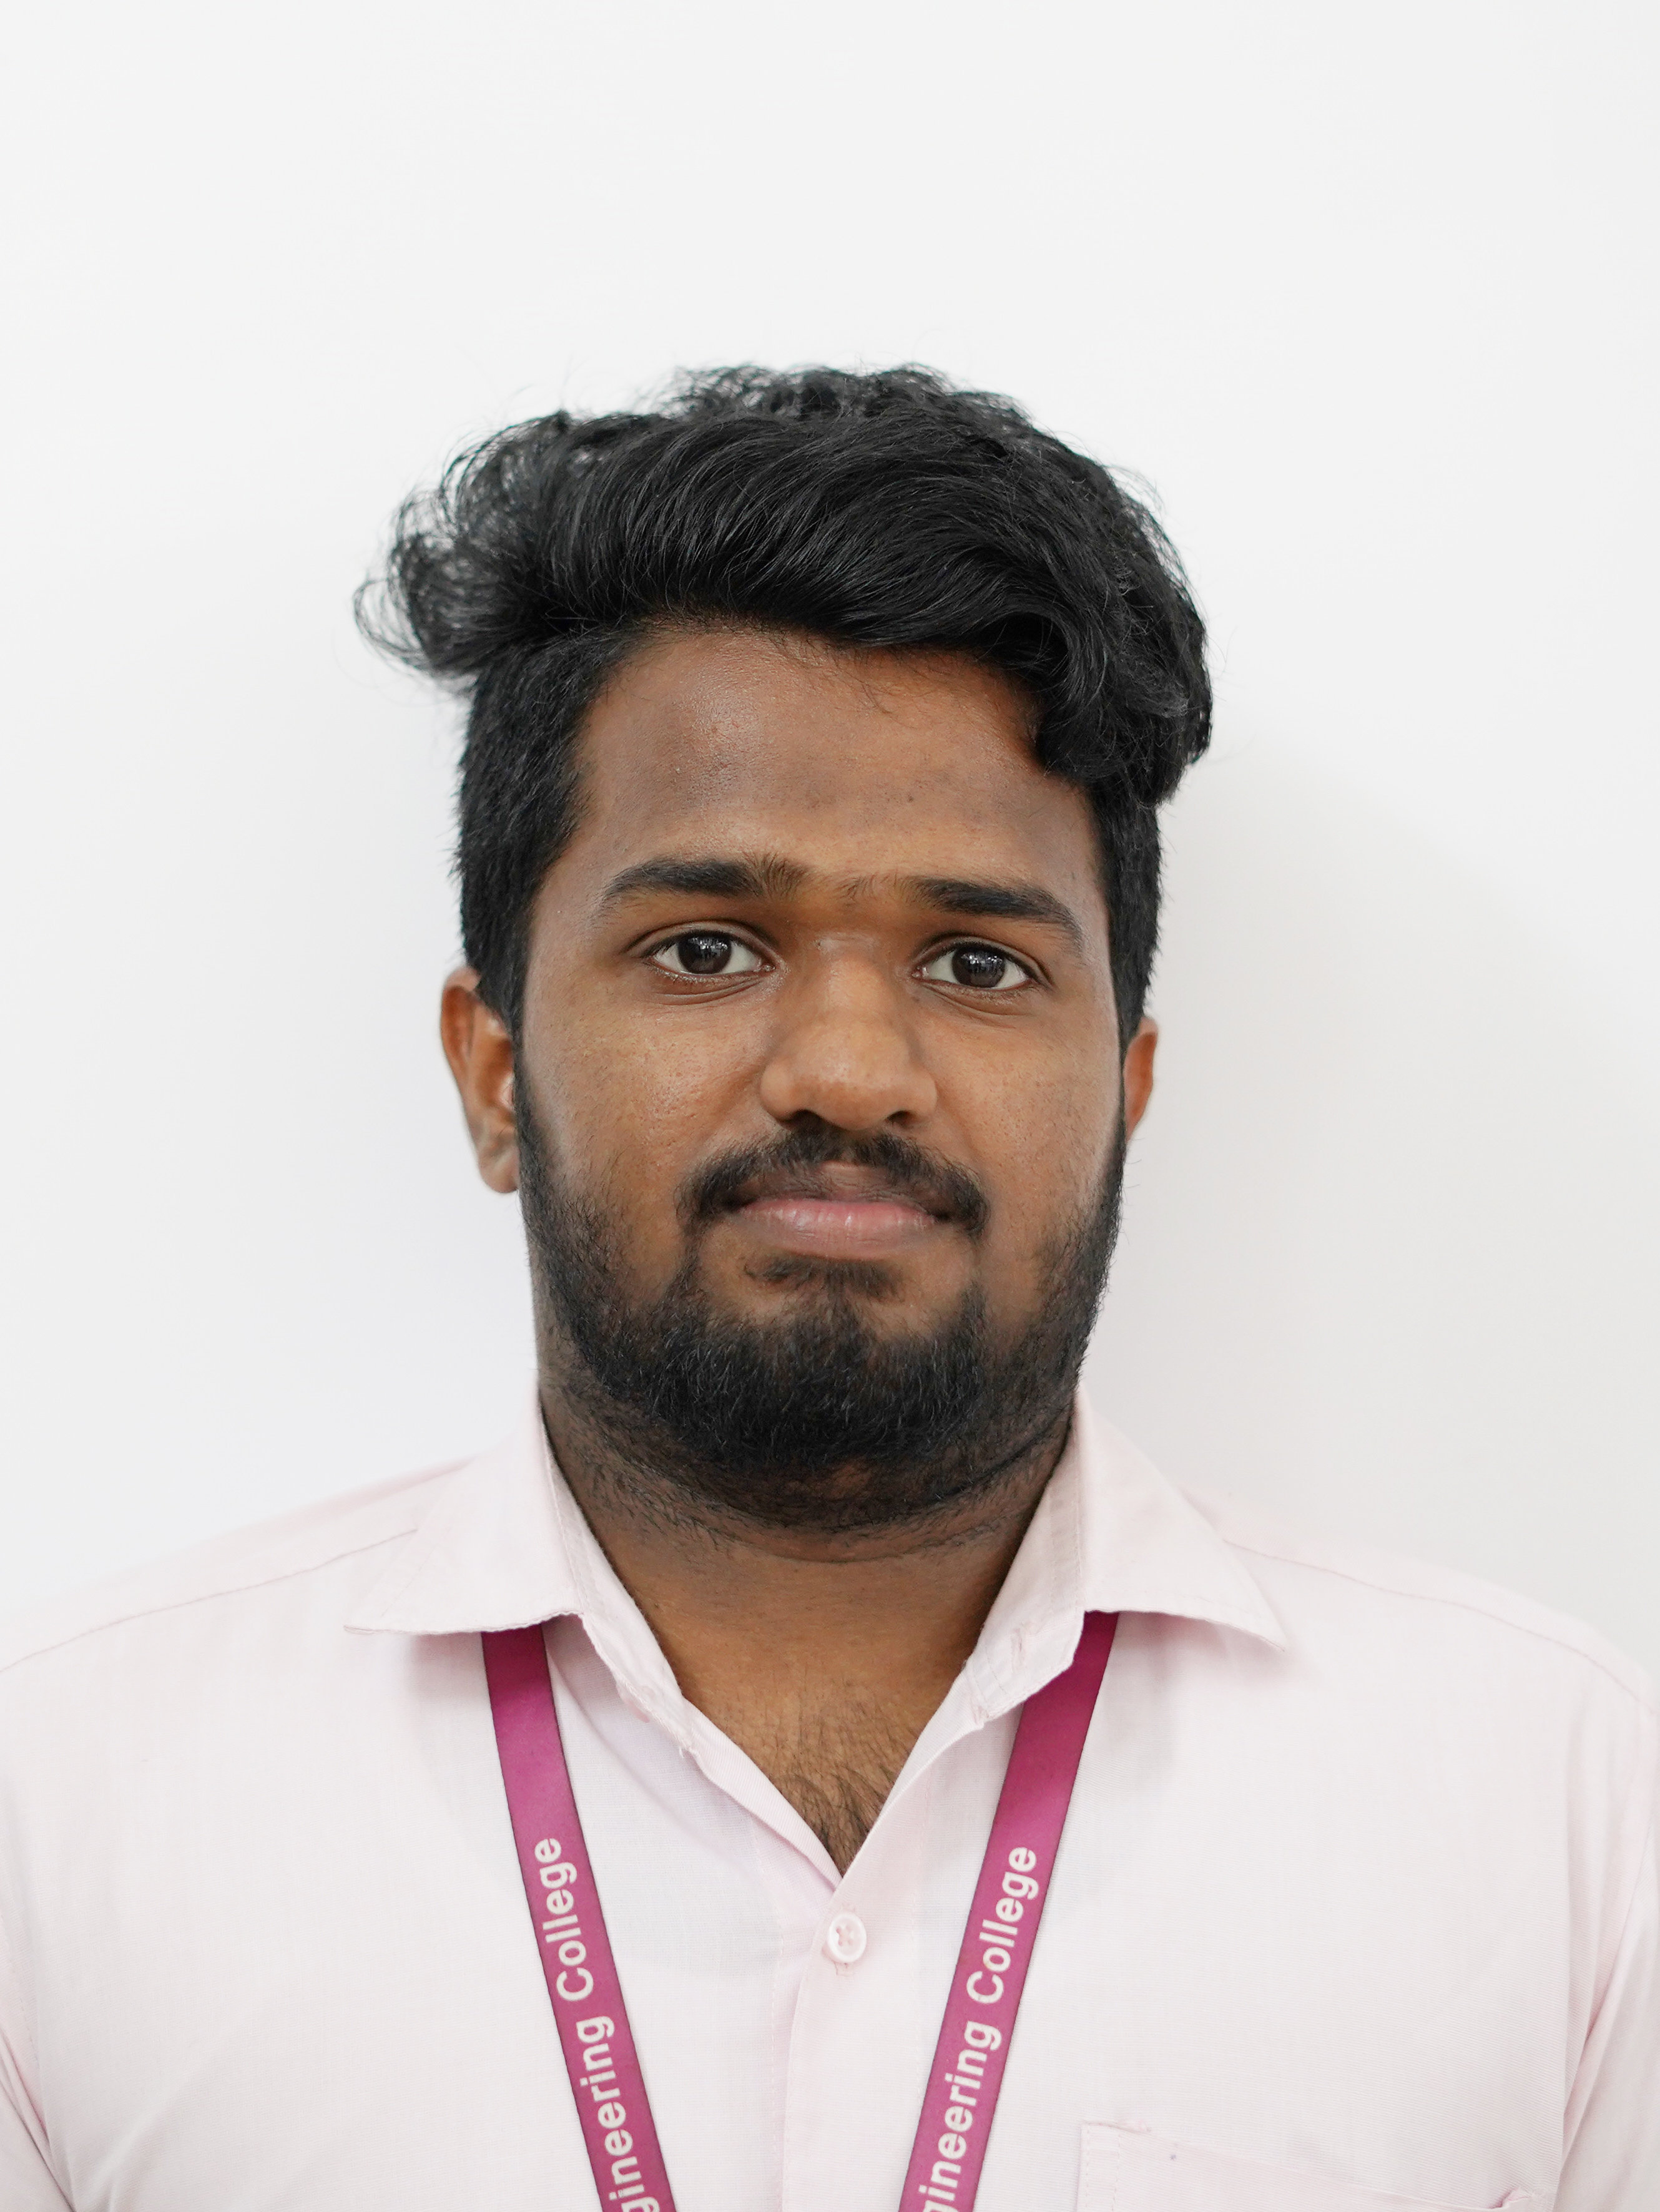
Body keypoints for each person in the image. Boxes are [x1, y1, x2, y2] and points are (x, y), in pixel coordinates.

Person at [0, 368, 1653, 2211]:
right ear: (495, 1073)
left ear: (1126, 1086)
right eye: (707, 948)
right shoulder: (63, 1819)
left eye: (977, 962)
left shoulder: (1556, 1815)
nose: (851, 1073)